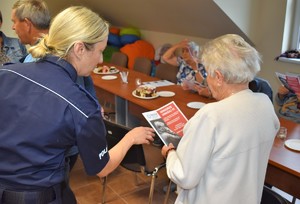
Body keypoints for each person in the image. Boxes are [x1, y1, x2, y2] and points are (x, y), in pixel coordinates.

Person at [0, 6, 155, 204]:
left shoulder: (7, 73)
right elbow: (102, 167)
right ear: (79, 49)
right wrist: (130, 137)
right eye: (100, 51)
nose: (100, 60)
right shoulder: (81, 105)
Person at [161, 34, 280, 204]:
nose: (207, 80)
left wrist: (170, 153)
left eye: (208, 73)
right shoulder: (265, 103)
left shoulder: (211, 115)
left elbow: (184, 176)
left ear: (218, 77)